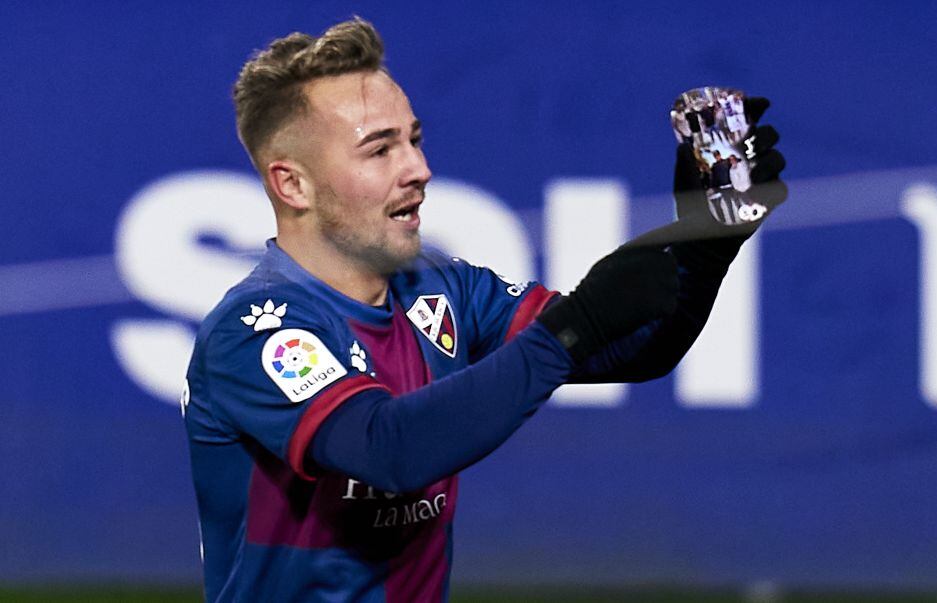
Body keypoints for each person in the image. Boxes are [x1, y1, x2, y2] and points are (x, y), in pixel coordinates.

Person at [182, 17, 785, 603]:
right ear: (293, 186)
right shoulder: (256, 329)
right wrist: (571, 329)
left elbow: (638, 348)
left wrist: (709, 238)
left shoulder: (440, 289)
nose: (419, 170)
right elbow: (390, 450)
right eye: (379, 151)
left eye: (413, 139)